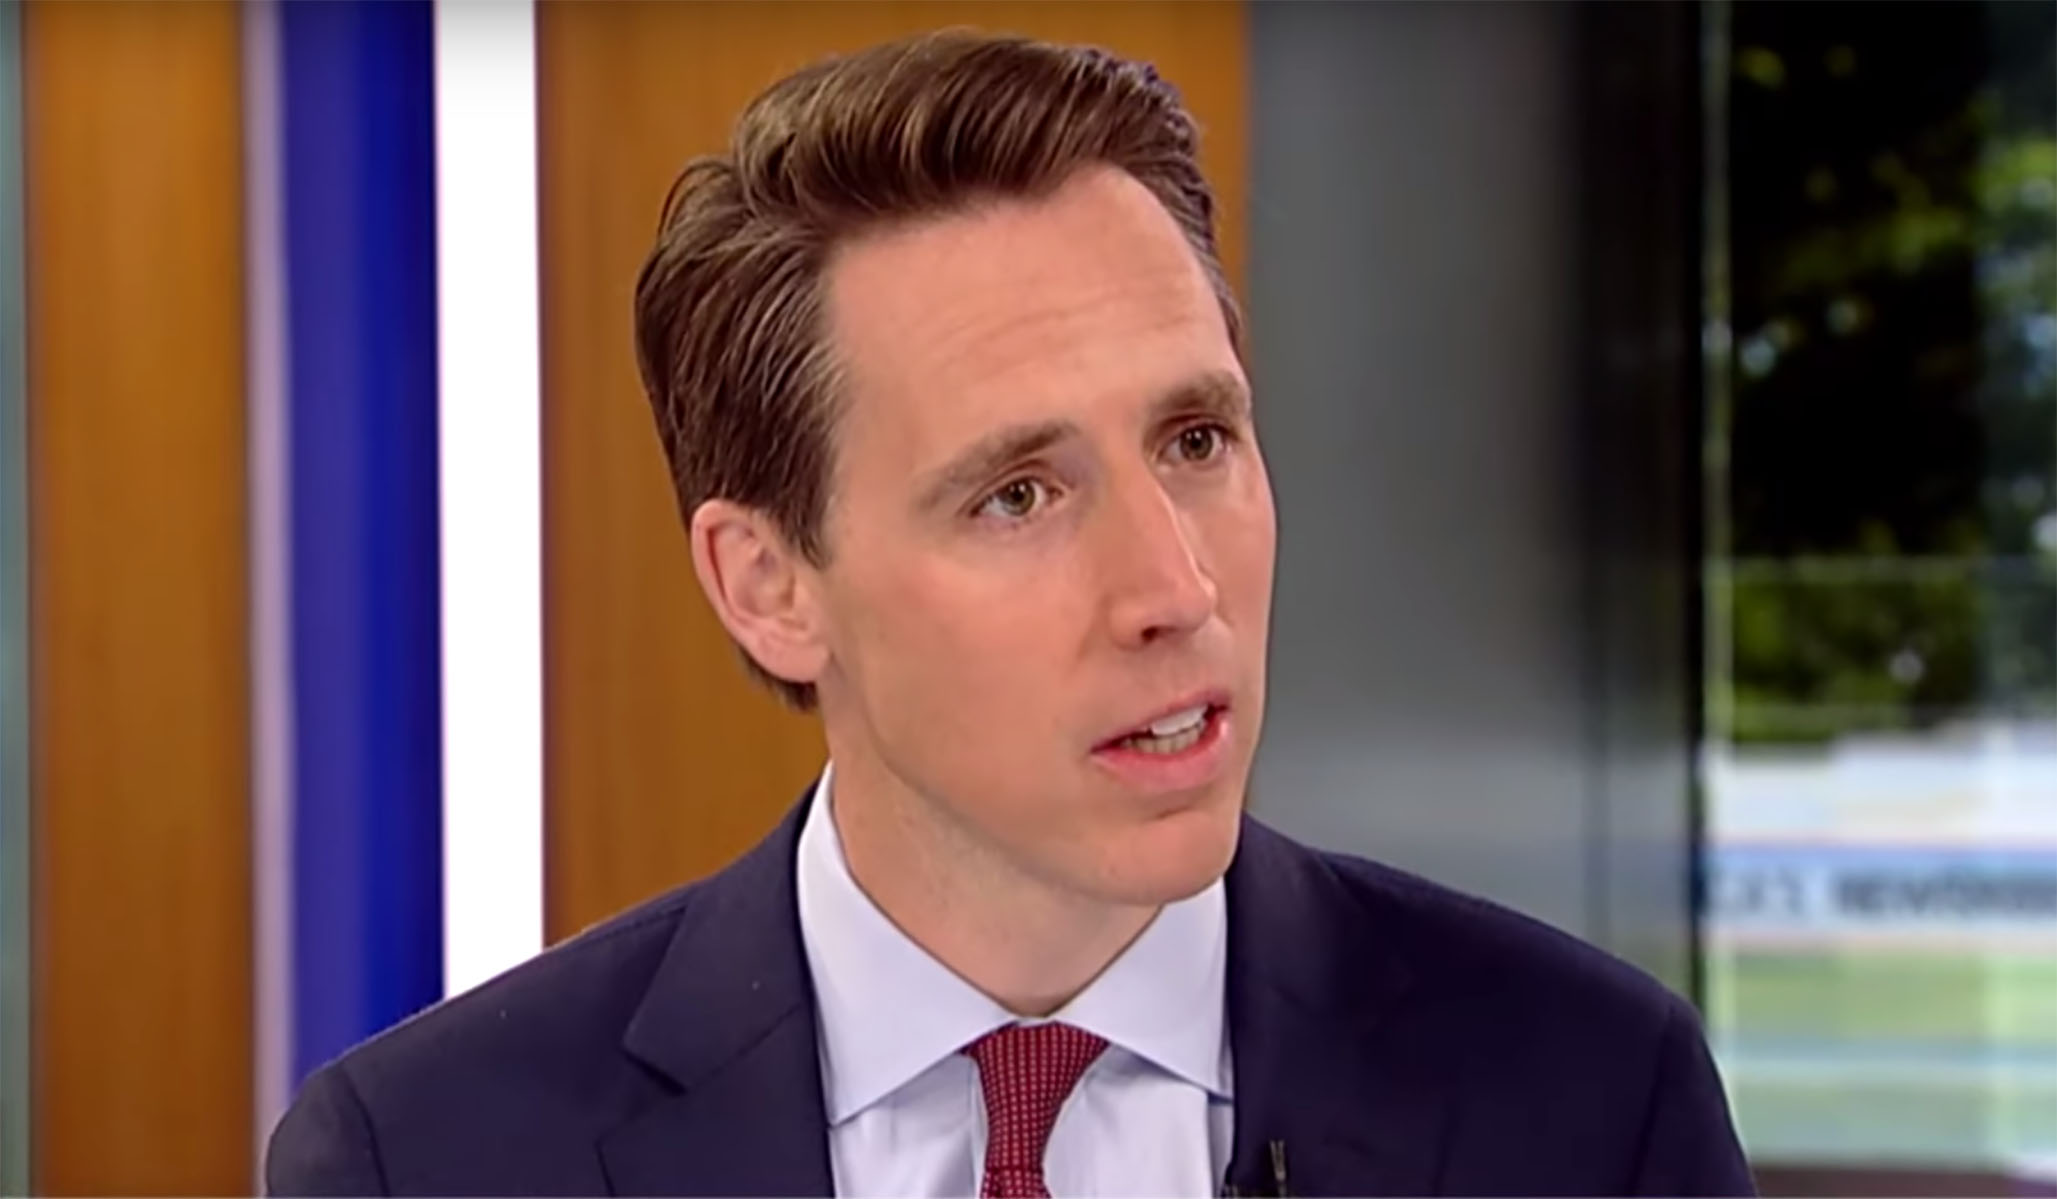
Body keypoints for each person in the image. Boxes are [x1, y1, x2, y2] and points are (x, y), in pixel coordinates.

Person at [266, 29, 1755, 1198]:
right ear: (769, 587)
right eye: (1018, 495)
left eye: (1195, 440)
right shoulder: (431, 1158)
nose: (1173, 590)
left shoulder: (1587, 1099)